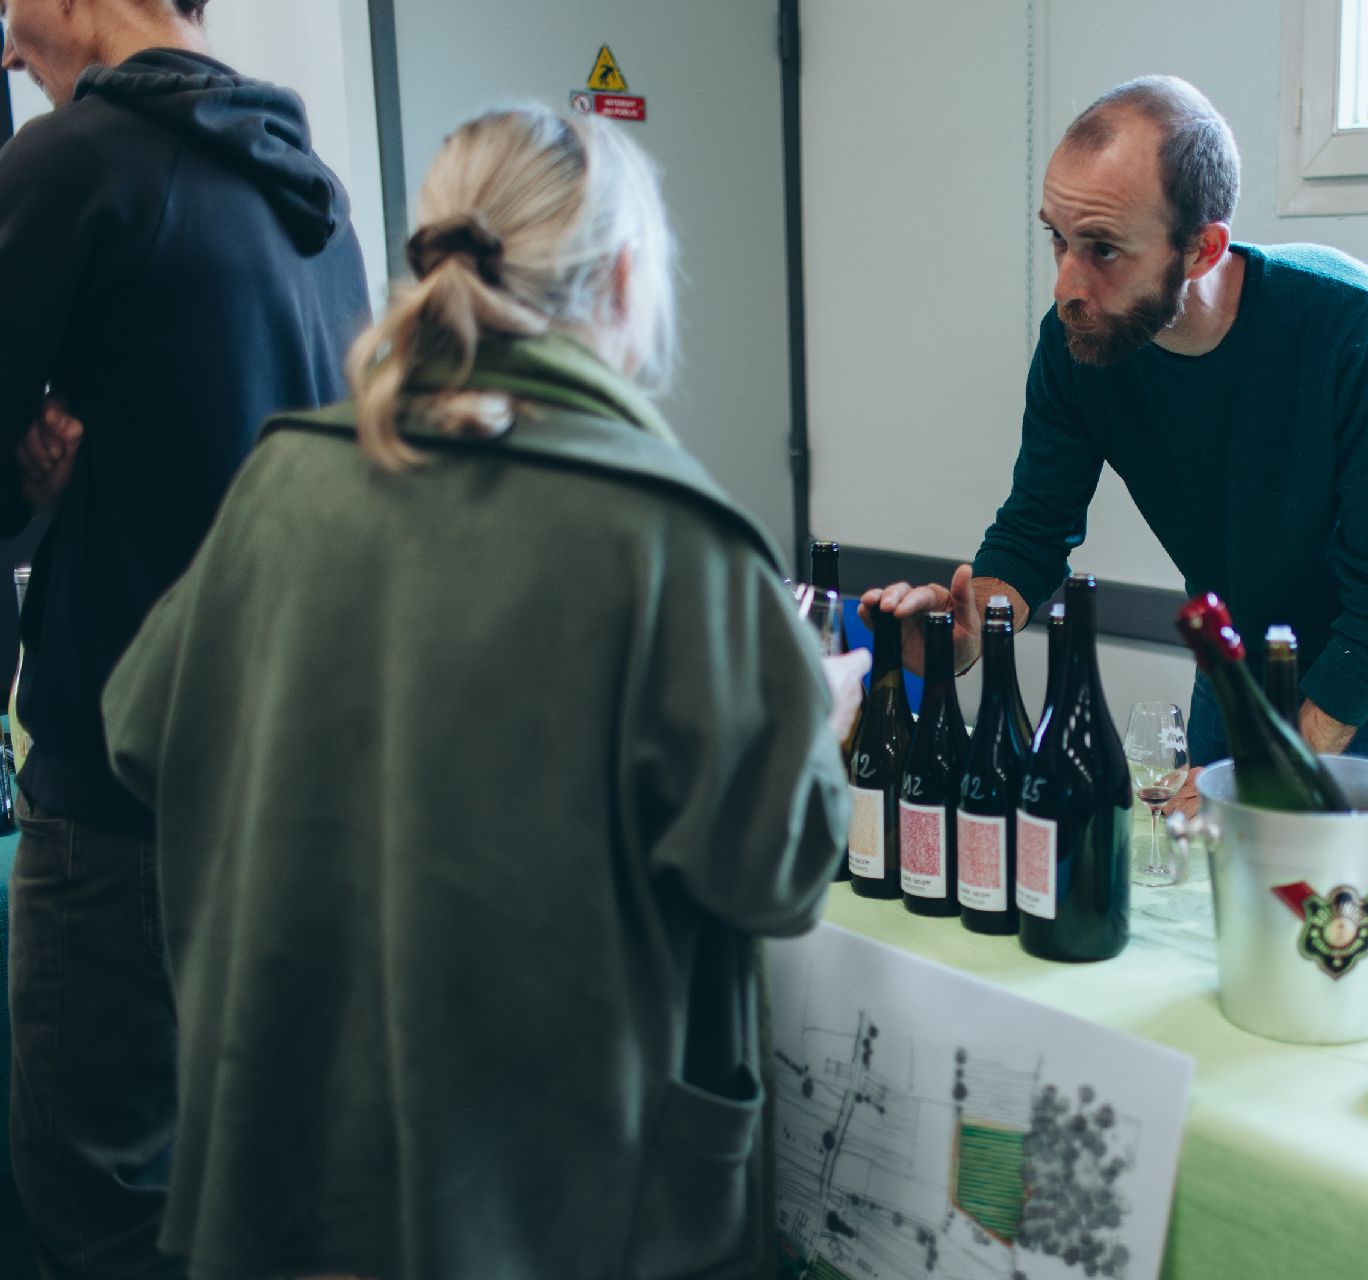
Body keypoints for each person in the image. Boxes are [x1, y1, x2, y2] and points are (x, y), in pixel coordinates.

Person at [100, 104, 865, 1280]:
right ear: (621, 277)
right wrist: (812, 713)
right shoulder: (671, 533)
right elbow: (778, 866)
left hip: (299, 1170)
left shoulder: (285, 480)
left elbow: (141, 731)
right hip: (562, 1201)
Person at [0, 2, 371, 1274]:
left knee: (93, 1202)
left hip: (119, 812)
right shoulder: (316, 198)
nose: (3, 45)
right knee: (261, 1202)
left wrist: (26, 486)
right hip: (293, 809)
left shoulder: (71, 165)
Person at [864, 76, 1368, 815]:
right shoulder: (1077, 341)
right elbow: (1033, 531)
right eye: (1057, 237)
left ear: (1203, 249)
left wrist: (1262, 776)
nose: (1065, 285)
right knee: (1207, 908)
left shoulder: (1354, 323)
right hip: (1235, 660)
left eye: (1105, 250)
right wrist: (970, 630)